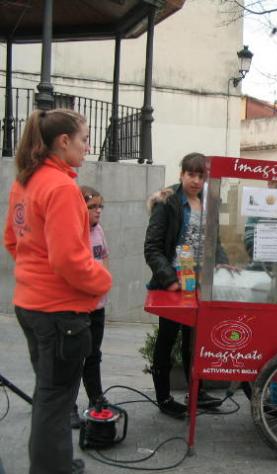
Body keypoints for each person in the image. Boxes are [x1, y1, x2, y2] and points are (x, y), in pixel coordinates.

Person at [3, 109, 112, 474]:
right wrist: (102, 280)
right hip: (59, 313)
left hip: (31, 305)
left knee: (49, 393)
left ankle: (57, 462)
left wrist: (37, 276)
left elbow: (13, 241)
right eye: (84, 139)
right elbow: (68, 260)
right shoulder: (61, 187)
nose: (87, 147)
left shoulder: (27, 180)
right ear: (63, 141)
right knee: (55, 399)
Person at [144, 152, 227, 419]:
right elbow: (152, 247)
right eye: (191, 174)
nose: (196, 180)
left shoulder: (209, 202)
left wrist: (224, 265)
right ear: (181, 174)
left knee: (196, 341)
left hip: (199, 284)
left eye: (201, 176)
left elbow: (215, 241)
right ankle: (164, 397)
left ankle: (196, 393)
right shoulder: (167, 202)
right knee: (168, 338)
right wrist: (170, 280)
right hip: (174, 285)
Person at [69, 186, 110, 429]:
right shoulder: (74, 234)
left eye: (100, 206)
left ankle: (96, 398)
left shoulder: (99, 231)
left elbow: (104, 257)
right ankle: (69, 405)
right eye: (92, 206)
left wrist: (104, 282)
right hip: (79, 308)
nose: (98, 211)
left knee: (94, 354)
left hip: (98, 306)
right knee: (75, 358)